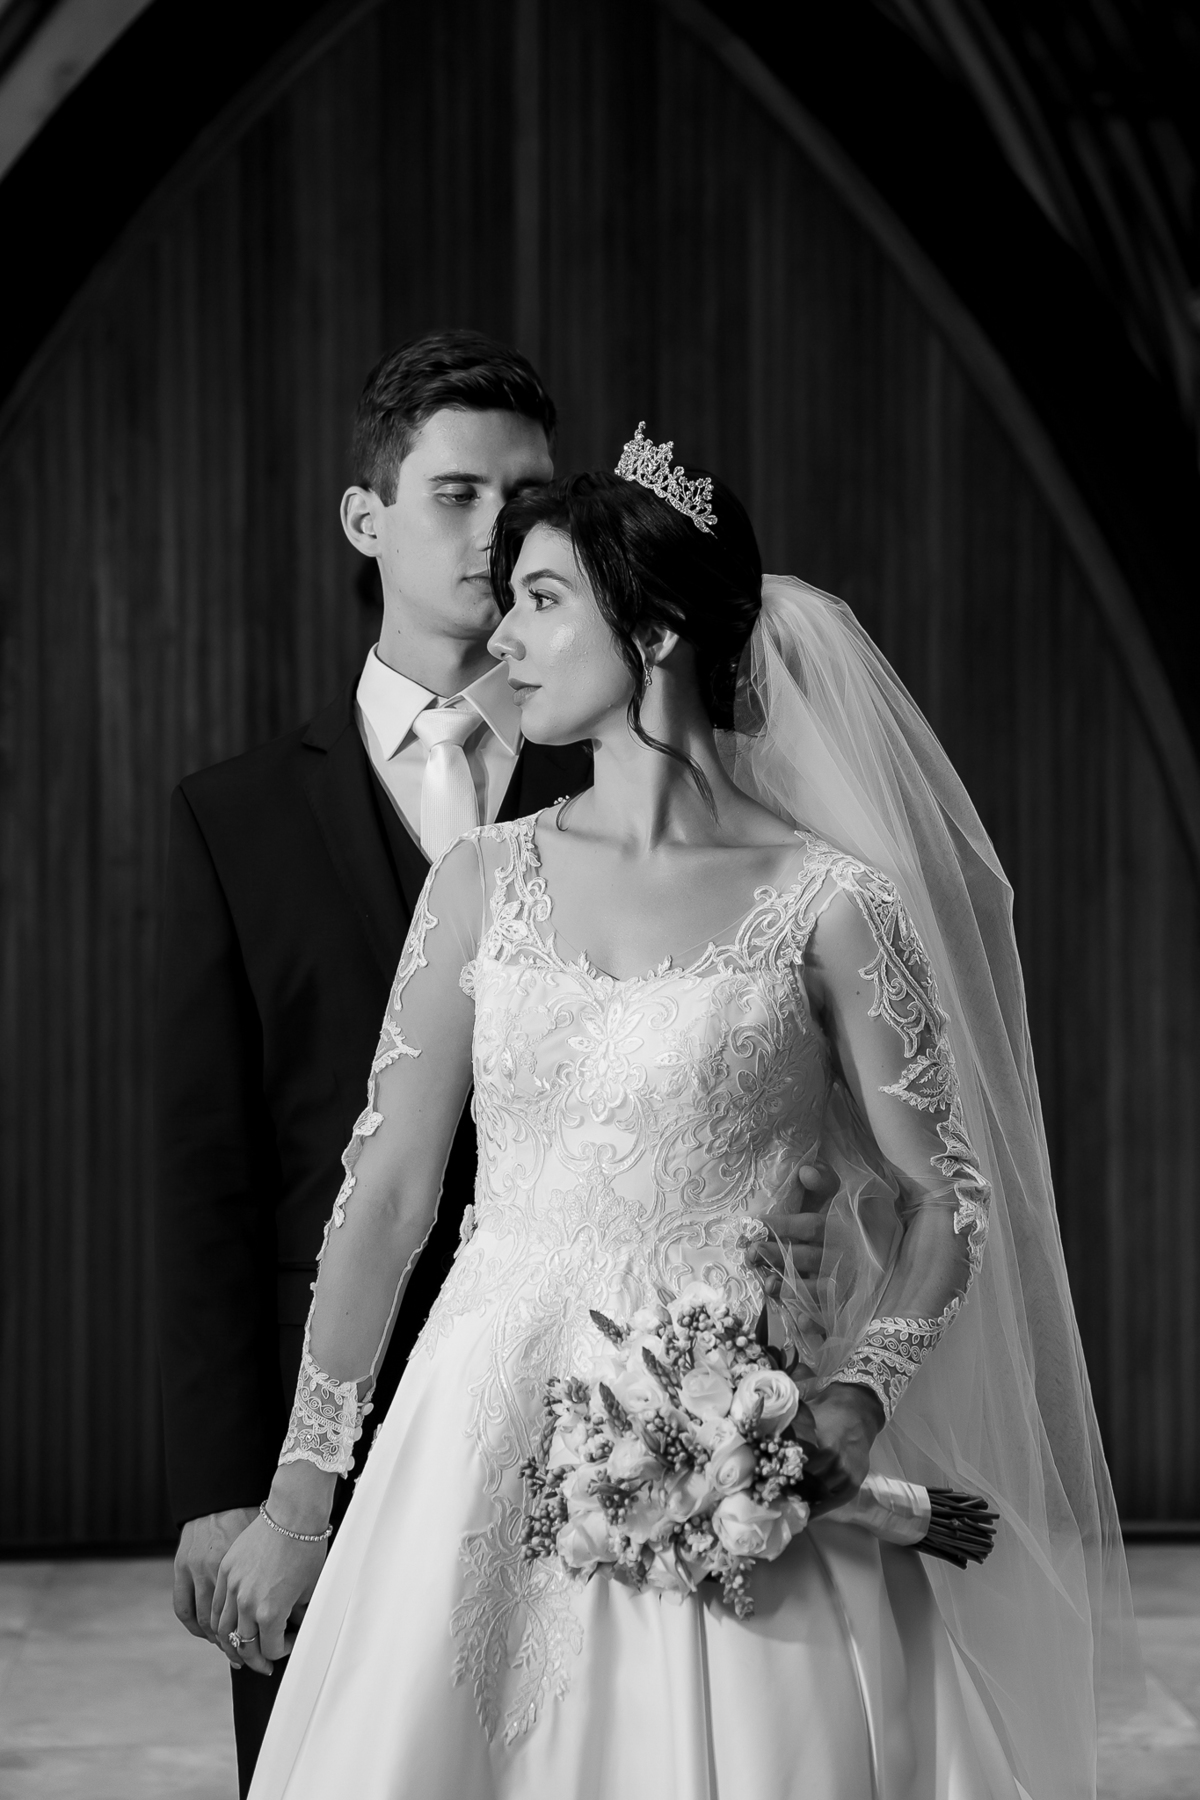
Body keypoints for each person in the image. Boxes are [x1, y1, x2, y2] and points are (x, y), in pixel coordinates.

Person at [214, 429, 1132, 1798]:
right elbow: (389, 1196)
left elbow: (944, 1196)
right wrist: (304, 1489)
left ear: (651, 632)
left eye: (541, 601)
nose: (500, 639)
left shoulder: (832, 904)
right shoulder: (480, 881)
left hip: (735, 1439)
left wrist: (856, 1401)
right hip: (476, 1430)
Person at [155, 331, 597, 1794]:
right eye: (457, 494)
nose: (497, 531)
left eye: (527, 500)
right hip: (323, 1434)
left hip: (586, 1412)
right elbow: (209, 1181)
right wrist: (226, 1486)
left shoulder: (627, 787)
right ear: (366, 518)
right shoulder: (232, 821)